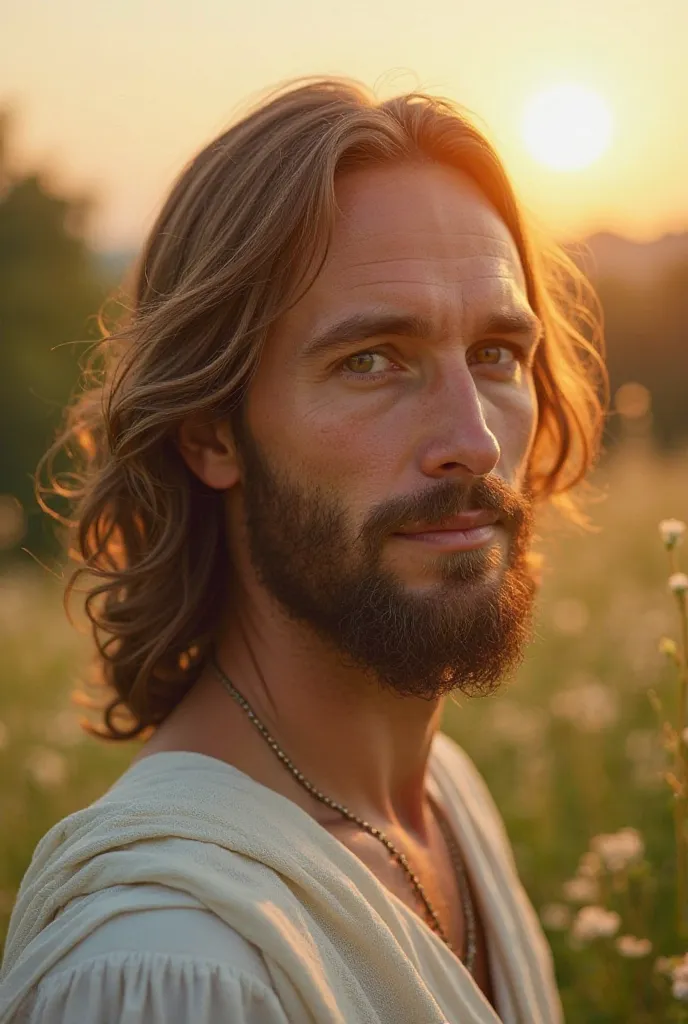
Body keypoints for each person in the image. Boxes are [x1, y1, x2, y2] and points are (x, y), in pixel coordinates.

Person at [0, 76, 607, 1023]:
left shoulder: (443, 801)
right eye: (372, 360)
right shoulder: (175, 962)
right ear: (211, 432)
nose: (475, 441)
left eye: (496, 354)